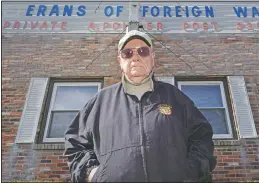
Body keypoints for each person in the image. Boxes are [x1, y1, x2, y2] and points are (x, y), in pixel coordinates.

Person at [63, 30, 216, 182]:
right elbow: (75, 143)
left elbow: (202, 137)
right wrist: (93, 174)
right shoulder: (100, 102)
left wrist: (190, 172)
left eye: (143, 51)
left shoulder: (176, 98)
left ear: (152, 57)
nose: (135, 57)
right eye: (127, 53)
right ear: (120, 61)